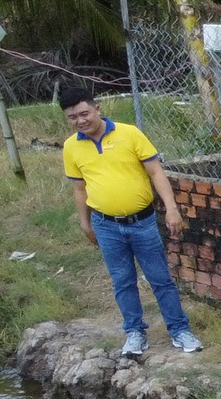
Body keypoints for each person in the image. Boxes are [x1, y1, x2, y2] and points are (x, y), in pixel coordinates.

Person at [58, 84, 202, 360]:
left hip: (142, 222)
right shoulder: (71, 147)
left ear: (97, 108)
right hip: (105, 224)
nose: (81, 121)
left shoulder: (129, 134)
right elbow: (80, 189)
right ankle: (134, 332)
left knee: (160, 278)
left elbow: (156, 173)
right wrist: (85, 224)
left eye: (84, 113)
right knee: (122, 281)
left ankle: (180, 330)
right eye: (73, 117)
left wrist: (172, 209)